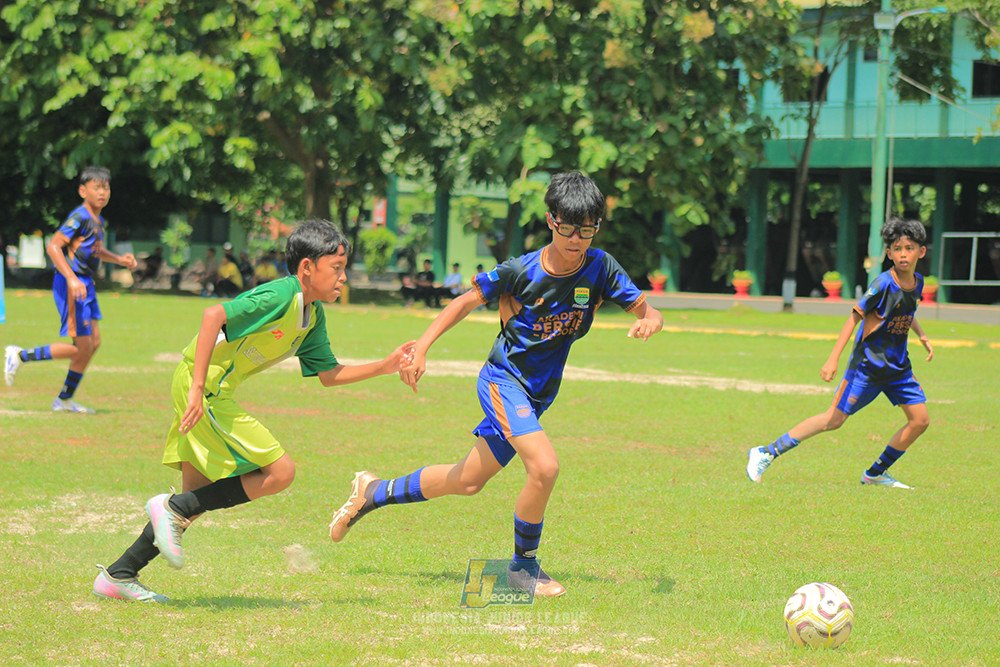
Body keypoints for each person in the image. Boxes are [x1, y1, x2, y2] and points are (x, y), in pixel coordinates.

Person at [328, 171, 664, 597]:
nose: (577, 239)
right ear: (551, 220)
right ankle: (523, 568)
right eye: (568, 227)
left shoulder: (600, 268)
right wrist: (422, 348)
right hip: (503, 382)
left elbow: (648, 311)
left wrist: (650, 321)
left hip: (538, 394)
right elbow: (464, 301)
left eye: (587, 229)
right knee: (545, 467)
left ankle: (373, 492)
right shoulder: (521, 270)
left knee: (467, 480)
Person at [91, 220, 415, 603]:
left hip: (207, 388)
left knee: (193, 501)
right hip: (205, 388)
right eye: (336, 267)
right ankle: (168, 509)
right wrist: (197, 389)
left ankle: (119, 574)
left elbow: (328, 374)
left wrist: (385, 365)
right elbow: (213, 315)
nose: (344, 277)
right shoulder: (282, 295)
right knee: (280, 472)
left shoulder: (312, 315)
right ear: (307, 267)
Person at [746, 217, 935, 490]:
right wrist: (832, 358)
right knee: (833, 420)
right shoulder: (883, 284)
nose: (903, 254)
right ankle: (766, 452)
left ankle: (875, 474)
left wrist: (922, 335)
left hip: (897, 368)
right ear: (889, 253)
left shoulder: (917, 282)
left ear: (921, 251)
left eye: (909, 248)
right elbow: (854, 318)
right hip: (867, 368)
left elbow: (907, 309)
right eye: (897, 248)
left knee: (920, 420)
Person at [4, 166, 137, 413]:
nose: (102, 192)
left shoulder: (98, 220)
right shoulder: (80, 216)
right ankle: (21, 355)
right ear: (83, 191)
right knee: (82, 347)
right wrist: (72, 279)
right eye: (97, 188)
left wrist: (119, 260)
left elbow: (94, 249)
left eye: (106, 187)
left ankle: (64, 399)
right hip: (72, 283)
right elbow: (54, 246)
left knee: (94, 343)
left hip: (86, 283)